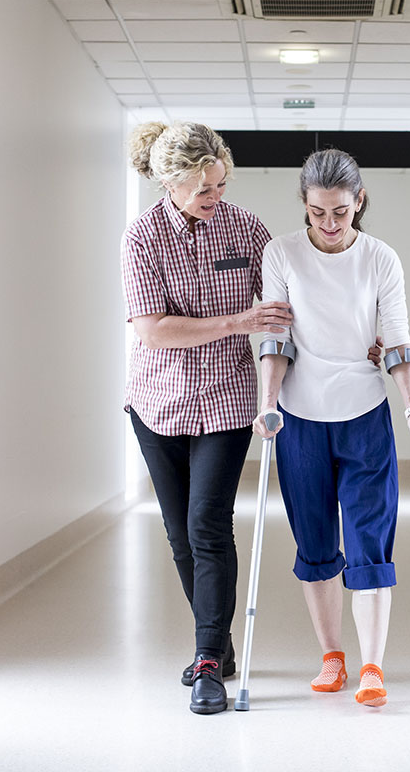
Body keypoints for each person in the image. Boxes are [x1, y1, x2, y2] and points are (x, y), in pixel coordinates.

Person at [253, 148, 410, 708]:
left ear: (358, 201)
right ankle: (332, 657)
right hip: (299, 419)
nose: (330, 225)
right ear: (304, 207)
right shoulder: (280, 253)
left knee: (369, 542)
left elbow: (398, 334)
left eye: (340, 211)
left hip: (364, 418)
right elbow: (276, 337)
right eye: (317, 213)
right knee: (314, 544)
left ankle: (373, 666)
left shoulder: (380, 258)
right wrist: (266, 403)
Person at [121, 121, 293, 715]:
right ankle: (216, 641)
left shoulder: (247, 229)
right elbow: (152, 330)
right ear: (171, 183)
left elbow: (282, 310)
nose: (216, 197)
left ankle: (208, 665)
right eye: (204, 190)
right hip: (157, 403)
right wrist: (234, 323)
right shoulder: (141, 237)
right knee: (179, 536)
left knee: (208, 525)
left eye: (220, 184)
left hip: (225, 400)